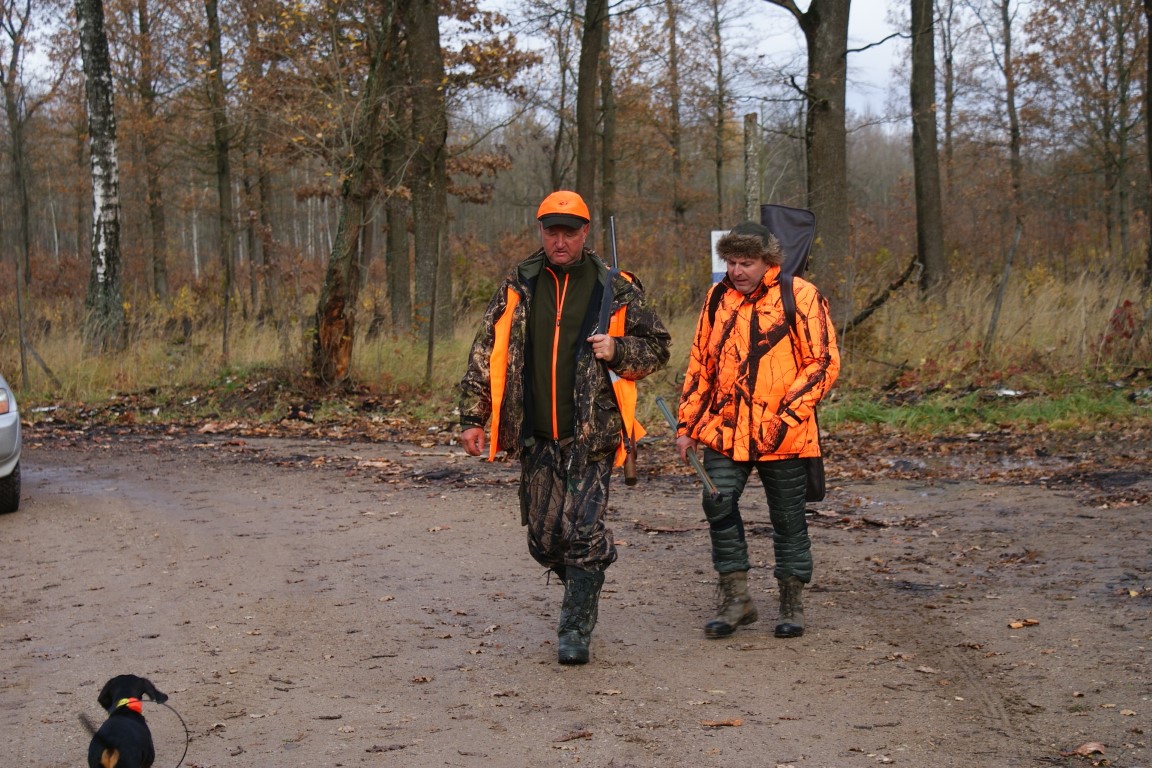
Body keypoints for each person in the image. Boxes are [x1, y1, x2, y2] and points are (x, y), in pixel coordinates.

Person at [458, 190, 671, 664]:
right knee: (543, 540)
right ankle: (588, 571)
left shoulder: (614, 286)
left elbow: (657, 348)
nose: (560, 241)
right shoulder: (520, 283)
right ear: (540, 231)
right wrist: (474, 417)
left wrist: (618, 350)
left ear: (585, 233)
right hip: (534, 432)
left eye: (569, 233)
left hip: (592, 434)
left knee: (582, 534)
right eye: (551, 232)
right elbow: (485, 351)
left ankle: (575, 626)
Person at [674, 221, 839, 639]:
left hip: (785, 435)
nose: (737, 271)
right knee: (717, 503)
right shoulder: (717, 298)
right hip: (724, 430)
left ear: (768, 261)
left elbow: (823, 363)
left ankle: (791, 604)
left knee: (788, 518)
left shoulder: (801, 295)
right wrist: (687, 425)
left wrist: (786, 417)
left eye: (745, 263)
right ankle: (736, 600)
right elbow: (701, 364)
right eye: (731, 262)